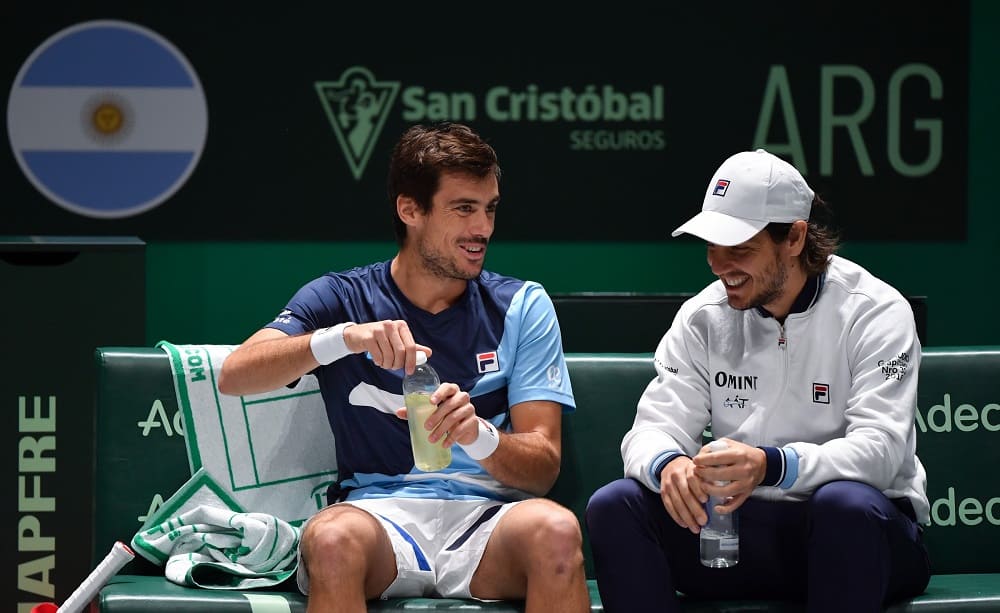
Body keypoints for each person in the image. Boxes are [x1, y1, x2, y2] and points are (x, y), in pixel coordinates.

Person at [218, 122, 590, 613]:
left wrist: (477, 434)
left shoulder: (522, 304)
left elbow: (542, 468)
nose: (483, 229)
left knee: (557, 530)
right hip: (377, 516)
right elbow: (235, 374)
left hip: (488, 519)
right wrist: (342, 339)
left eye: (490, 209)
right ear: (409, 209)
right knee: (330, 539)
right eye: (464, 209)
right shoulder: (341, 298)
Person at [585, 148, 931, 612]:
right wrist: (668, 465)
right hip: (738, 536)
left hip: (864, 538)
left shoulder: (876, 311)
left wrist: (770, 465)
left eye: (741, 249)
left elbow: (882, 453)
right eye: (711, 246)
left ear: (794, 237)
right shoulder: (702, 318)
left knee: (844, 506)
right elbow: (651, 429)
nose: (718, 264)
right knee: (617, 504)